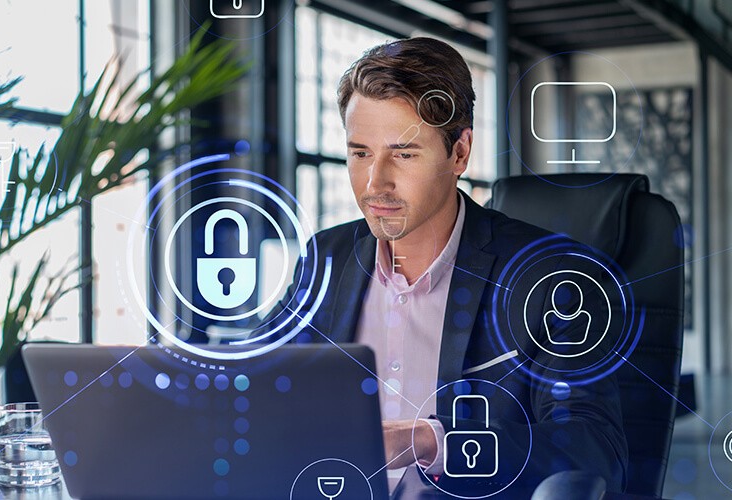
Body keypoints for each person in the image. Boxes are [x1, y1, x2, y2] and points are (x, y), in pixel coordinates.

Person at [256, 37, 627, 496]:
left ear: (459, 153)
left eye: (404, 154)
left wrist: (433, 440)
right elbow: (256, 376)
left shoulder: (551, 278)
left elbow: (594, 445)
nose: (375, 183)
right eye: (360, 153)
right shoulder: (326, 257)